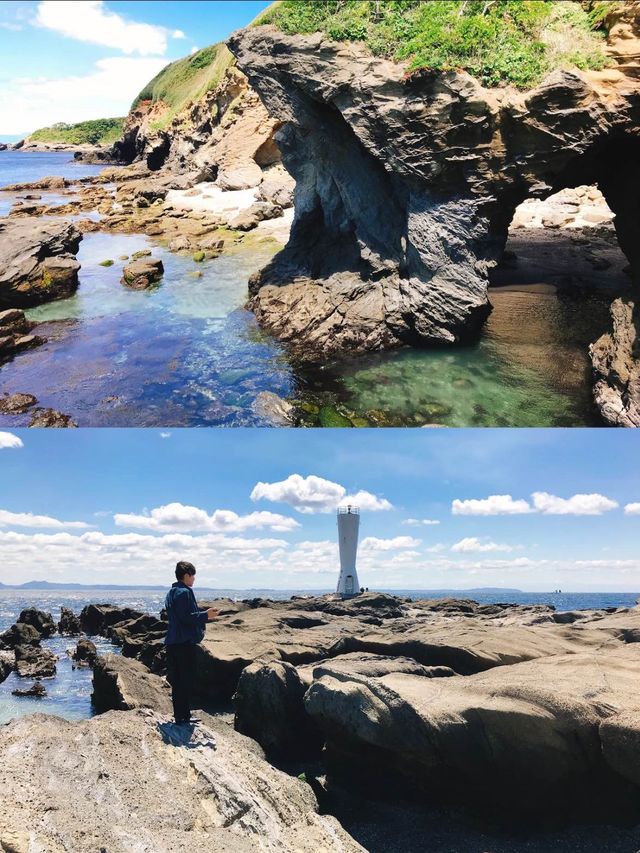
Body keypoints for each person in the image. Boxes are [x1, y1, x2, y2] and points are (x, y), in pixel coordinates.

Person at [164, 560, 218, 725]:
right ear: (186, 575)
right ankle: (183, 717)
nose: (194, 579)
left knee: (178, 681)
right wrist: (206, 615)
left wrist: (201, 614)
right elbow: (186, 617)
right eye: (193, 575)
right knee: (185, 681)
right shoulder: (184, 592)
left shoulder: (171, 592)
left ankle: (181, 716)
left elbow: (180, 616)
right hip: (183, 643)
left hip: (173, 642)